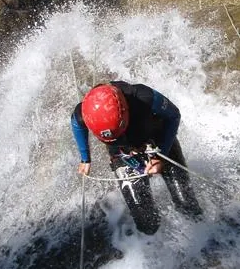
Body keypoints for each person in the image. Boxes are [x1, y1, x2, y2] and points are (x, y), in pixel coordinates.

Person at [71, 82, 201, 235]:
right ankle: (154, 248)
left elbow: (174, 115)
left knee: (187, 206)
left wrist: (162, 155)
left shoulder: (143, 97)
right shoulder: (84, 112)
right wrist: (85, 159)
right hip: (122, 154)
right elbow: (76, 124)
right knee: (147, 224)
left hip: (157, 141)